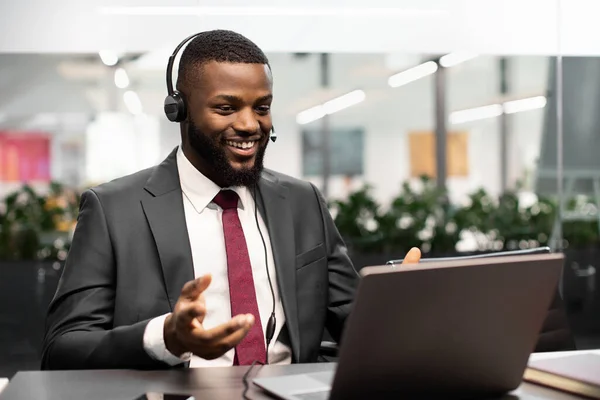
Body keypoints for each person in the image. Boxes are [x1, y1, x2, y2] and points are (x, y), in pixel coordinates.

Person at [41, 29, 421, 370]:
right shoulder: (114, 210)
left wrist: (398, 306)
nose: (249, 125)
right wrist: (166, 337)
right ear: (180, 111)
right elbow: (63, 348)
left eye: (262, 107)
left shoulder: (302, 202)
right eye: (226, 108)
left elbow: (351, 321)